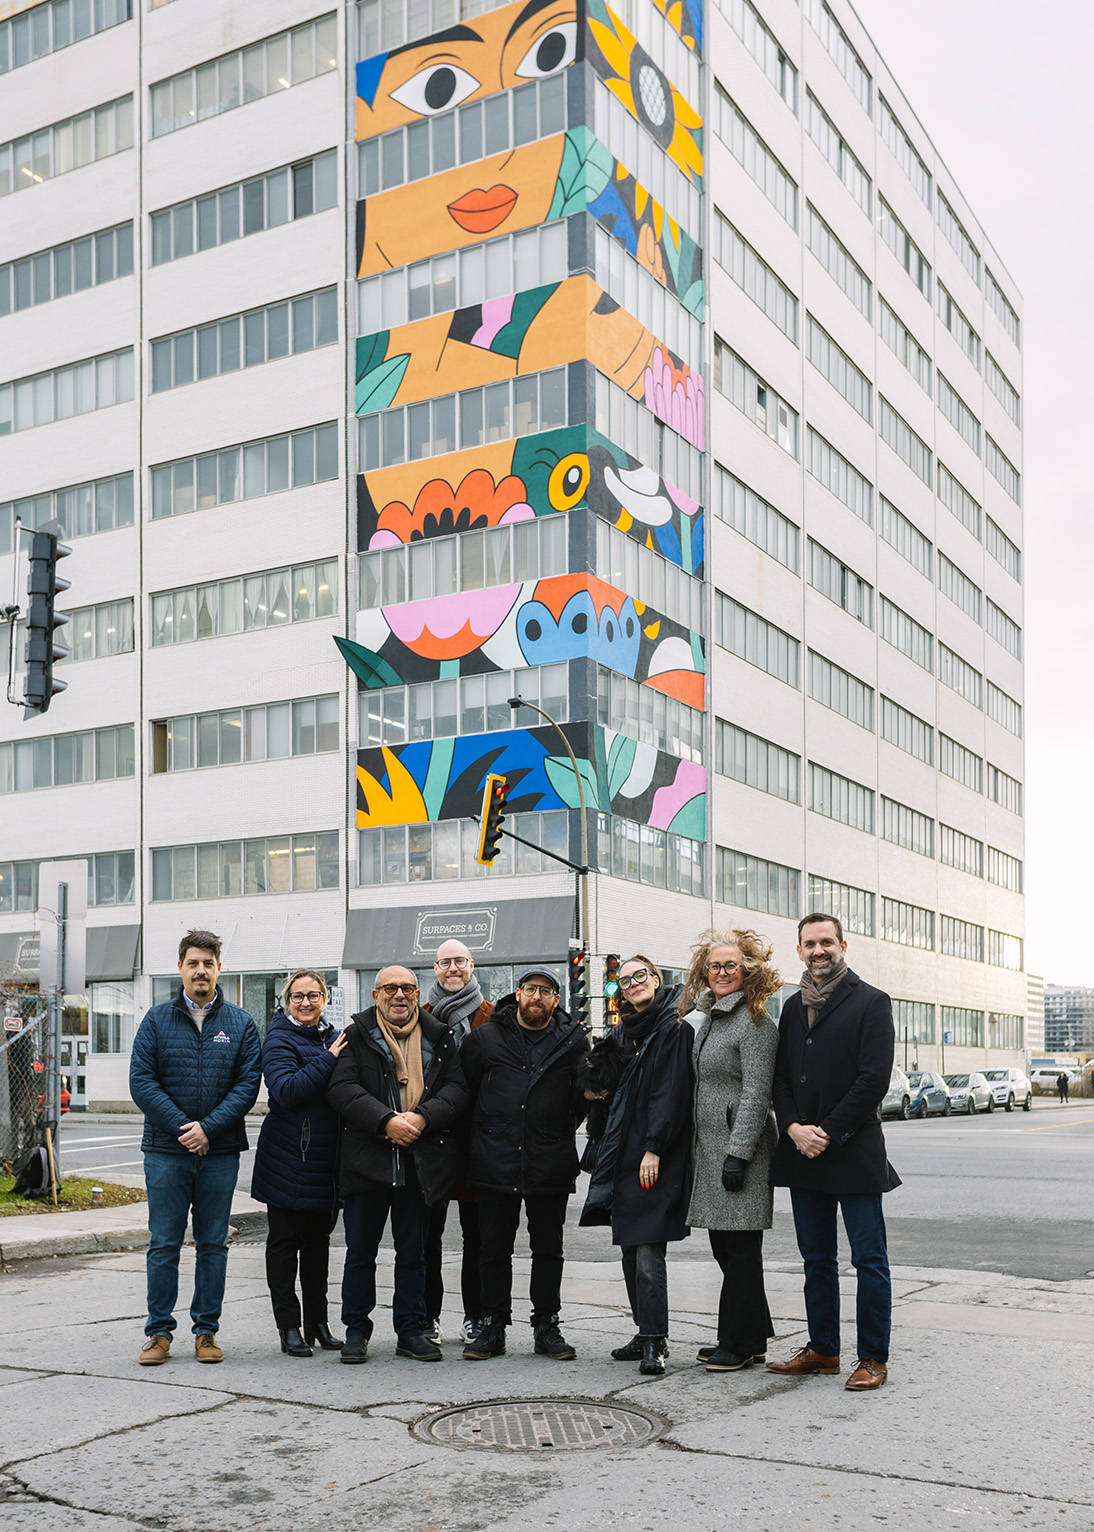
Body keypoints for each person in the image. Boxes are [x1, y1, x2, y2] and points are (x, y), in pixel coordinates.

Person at [767, 913, 901, 1393]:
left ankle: (872, 1358)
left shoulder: (871, 1002)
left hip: (852, 1151)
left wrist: (826, 1131)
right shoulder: (790, 1007)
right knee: (816, 1259)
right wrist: (794, 1129)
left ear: (844, 945)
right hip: (803, 1152)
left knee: (869, 1259)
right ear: (799, 950)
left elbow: (873, 1081)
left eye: (827, 942)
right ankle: (823, 1348)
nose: (818, 950)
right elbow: (779, 1078)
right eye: (809, 943)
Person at [130, 930, 261, 1367]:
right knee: (164, 1243)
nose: (200, 970)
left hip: (220, 1153)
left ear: (219, 968)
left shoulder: (241, 1023)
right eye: (193, 963)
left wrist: (209, 1129)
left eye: (208, 963)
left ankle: (206, 1331)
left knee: (213, 1245)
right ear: (181, 968)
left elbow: (246, 1087)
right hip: (165, 1152)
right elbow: (142, 1082)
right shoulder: (155, 1020)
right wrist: (186, 1129)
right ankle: (158, 1333)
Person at [327, 964, 468, 1363]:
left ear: (417, 993)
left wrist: (422, 1118)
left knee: (414, 1253)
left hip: (420, 1161)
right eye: (390, 988)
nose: (399, 995)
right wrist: (386, 1121)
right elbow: (342, 1089)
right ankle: (356, 1330)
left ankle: (411, 1329)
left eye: (407, 988)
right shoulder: (354, 1035)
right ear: (376, 996)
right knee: (360, 1253)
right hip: (366, 1161)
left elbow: (457, 1089)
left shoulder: (440, 1037)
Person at [459, 964, 590, 1362]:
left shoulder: (572, 1042)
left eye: (546, 991)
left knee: (548, 1249)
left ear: (556, 1000)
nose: (537, 997)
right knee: (492, 1248)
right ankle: (493, 1326)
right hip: (494, 1159)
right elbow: (465, 1092)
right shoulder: (484, 1039)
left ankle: (546, 1325)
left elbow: (583, 1096)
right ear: (517, 994)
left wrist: (556, 1127)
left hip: (549, 1158)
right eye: (531, 989)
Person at [579, 955, 692, 1376]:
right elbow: (603, 1084)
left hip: (651, 1154)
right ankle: (643, 1330)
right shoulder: (623, 1032)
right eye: (623, 980)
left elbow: (671, 1092)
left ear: (657, 979)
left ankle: (656, 1342)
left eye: (639, 976)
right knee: (628, 1248)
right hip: (622, 1152)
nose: (631, 984)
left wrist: (654, 1147)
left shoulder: (672, 1028)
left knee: (648, 1252)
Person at [681, 929, 781, 1374]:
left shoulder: (755, 1022)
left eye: (730, 966)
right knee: (726, 1248)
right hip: (711, 1149)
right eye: (714, 966)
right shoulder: (715, 1018)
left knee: (739, 1251)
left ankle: (735, 1344)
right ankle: (752, 1335)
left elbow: (758, 1093)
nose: (721, 973)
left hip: (740, 1152)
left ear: (748, 971)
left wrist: (738, 1153)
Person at [250, 970, 348, 1358]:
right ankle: (288, 1326)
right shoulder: (278, 1038)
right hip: (288, 1159)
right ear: (287, 1001)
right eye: (298, 996)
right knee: (284, 1245)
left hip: (327, 1161)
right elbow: (287, 1090)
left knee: (319, 1246)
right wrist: (328, 1059)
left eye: (313, 995)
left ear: (325, 998)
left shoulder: (333, 1036)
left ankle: (319, 1323)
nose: (306, 1003)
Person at [422, 938, 495, 1347]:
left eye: (460, 961)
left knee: (477, 1237)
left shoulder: (492, 1015)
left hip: (477, 1143)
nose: (453, 968)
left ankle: (476, 1316)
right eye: (445, 962)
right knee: (427, 1236)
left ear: (472, 966)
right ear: (435, 968)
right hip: (432, 1139)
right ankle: (429, 1315)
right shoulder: (422, 1016)